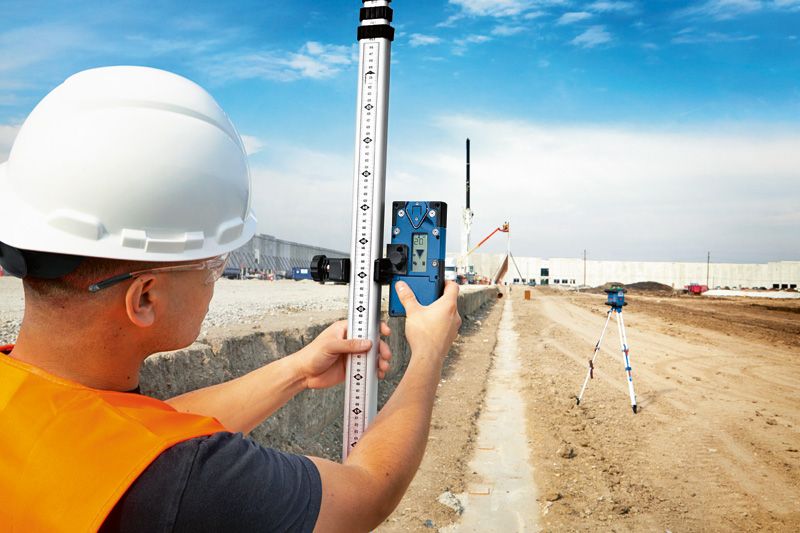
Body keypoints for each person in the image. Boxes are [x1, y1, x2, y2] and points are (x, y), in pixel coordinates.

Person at [0, 66, 461, 532]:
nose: (215, 278)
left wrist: (298, 369)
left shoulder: (23, 396)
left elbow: (126, 434)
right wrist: (428, 352)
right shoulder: (189, 483)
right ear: (144, 298)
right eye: (211, 265)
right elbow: (365, 493)